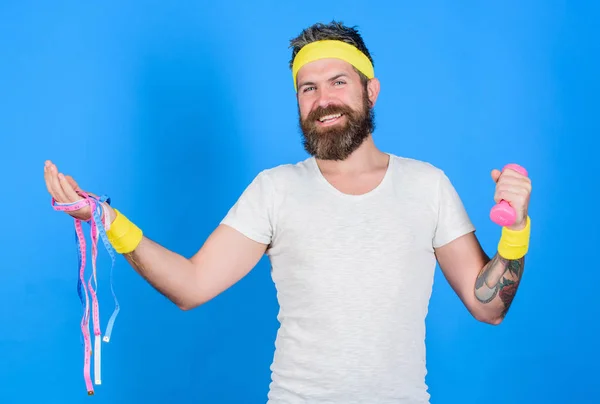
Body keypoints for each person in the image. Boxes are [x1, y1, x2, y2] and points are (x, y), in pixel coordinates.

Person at [43, 21, 532, 404]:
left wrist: (515, 232)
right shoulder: (275, 190)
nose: (324, 101)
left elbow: (488, 307)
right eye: (308, 88)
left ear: (371, 90)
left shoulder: (427, 185)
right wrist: (108, 221)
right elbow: (191, 286)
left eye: (338, 82)